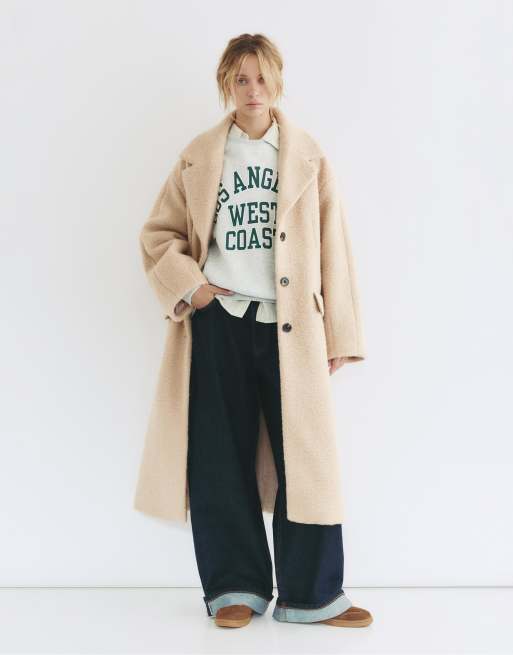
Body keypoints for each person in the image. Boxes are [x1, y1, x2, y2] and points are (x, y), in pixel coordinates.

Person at [136, 33, 372, 629]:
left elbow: (334, 247)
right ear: (227, 84)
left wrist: (341, 335)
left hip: (292, 328)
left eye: (262, 77)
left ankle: (312, 594)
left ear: (278, 80)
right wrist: (195, 288)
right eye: (240, 79)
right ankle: (233, 587)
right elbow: (158, 235)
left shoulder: (307, 156)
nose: (252, 90)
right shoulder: (199, 155)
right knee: (218, 455)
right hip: (220, 322)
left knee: (308, 459)